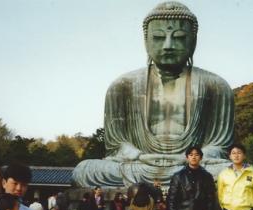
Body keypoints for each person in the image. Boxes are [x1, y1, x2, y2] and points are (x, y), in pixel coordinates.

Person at [72, 1, 234, 187]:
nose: (168, 45)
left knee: (228, 171)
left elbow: (219, 146)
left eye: (179, 37)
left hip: (192, 164)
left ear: (194, 41)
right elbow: (117, 145)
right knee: (84, 170)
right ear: (146, 40)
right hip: (140, 164)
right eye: (158, 37)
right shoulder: (122, 86)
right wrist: (140, 156)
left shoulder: (216, 86)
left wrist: (190, 159)